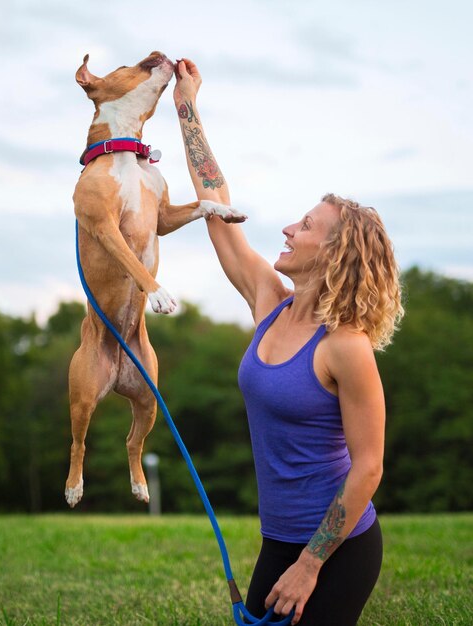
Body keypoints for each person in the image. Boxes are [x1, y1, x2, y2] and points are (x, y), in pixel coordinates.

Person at [173, 58, 404, 626]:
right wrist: (186, 106)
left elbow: (368, 468)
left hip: (336, 550)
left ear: (331, 255)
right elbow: (219, 214)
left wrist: (309, 564)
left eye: (304, 226)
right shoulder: (270, 304)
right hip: (278, 540)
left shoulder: (345, 346)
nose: (287, 230)